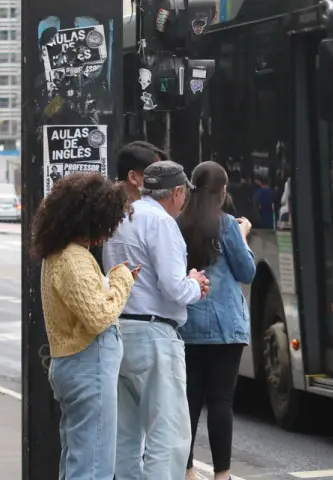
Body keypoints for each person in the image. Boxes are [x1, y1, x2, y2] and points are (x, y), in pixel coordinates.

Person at [103, 160, 211, 480]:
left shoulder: (122, 218)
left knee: (125, 435)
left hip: (119, 331)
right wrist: (196, 284)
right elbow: (173, 287)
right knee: (168, 434)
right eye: (184, 195)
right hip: (155, 336)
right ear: (177, 192)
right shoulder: (162, 223)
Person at [32, 172, 138, 480]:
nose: (108, 233)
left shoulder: (57, 254)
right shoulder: (74, 259)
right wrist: (122, 280)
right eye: (108, 224)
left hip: (70, 365)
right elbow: (98, 317)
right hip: (88, 365)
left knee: (78, 457)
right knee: (94, 465)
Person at [177, 162, 256, 480]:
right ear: (223, 191)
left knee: (189, 400)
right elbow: (247, 272)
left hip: (187, 325)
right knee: (221, 402)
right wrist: (243, 234)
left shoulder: (177, 223)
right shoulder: (227, 225)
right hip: (225, 328)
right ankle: (222, 475)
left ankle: (187, 470)